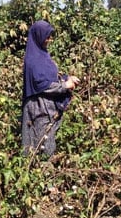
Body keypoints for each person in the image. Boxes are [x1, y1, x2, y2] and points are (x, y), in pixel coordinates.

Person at [21, 20, 80, 158]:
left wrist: (66, 78)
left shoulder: (43, 56)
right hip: (38, 109)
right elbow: (43, 84)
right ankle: (38, 176)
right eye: (47, 36)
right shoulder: (33, 60)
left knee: (46, 142)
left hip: (45, 107)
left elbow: (50, 77)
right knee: (41, 146)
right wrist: (65, 86)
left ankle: (42, 175)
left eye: (50, 36)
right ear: (38, 37)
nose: (49, 40)